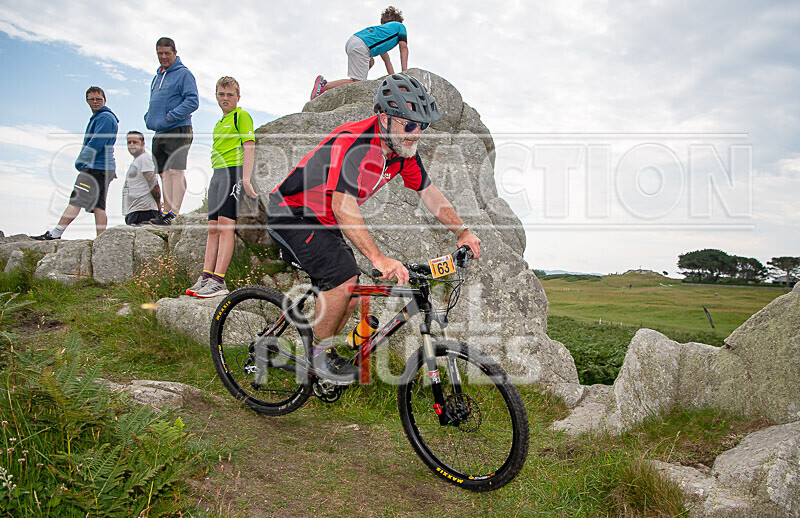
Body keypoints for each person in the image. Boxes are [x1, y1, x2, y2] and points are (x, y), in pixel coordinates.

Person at [268, 74, 482, 380]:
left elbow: (429, 192)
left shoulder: (401, 151)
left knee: (353, 292)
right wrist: (379, 258)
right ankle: (316, 357)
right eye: (409, 124)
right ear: (384, 118)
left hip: (323, 218)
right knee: (342, 280)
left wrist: (461, 231)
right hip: (290, 211)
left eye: (423, 126)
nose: (416, 133)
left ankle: (322, 348)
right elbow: (344, 205)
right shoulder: (354, 142)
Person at [185, 77, 257, 298]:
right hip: (217, 175)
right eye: (221, 94)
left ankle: (219, 281)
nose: (225, 98)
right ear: (216, 95)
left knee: (226, 227)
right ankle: (207, 276)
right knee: (213, 228)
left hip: (232, 173)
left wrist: (245, 179)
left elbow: (249, 146)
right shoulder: (219, 122)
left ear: (238, 97)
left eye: (230, 95)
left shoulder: (241, 116)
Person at [32, 86, 118, 240]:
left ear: (105, 100)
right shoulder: (103, 117)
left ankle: (56, 233)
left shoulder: (104, 118)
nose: (95, 102)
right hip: (104, 168)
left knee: (76, 200)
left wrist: (80, 162)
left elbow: (96, 143)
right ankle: (101, 240)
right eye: (92, 99)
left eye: (99, 99)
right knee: (99, 205)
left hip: (95, 167)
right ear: (87, 101)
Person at [144, 36, 199, 226]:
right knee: (164, 173)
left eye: (167, 53)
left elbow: (192, 101)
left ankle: (174, 213)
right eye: (160, 53)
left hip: (178, 128)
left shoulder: (184, 74)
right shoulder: (157, 77)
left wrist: (170, 117)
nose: (164, 57)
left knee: (176, 171)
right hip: (159, 131)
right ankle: (166, 212)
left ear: (175, 53)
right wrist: (149, 117)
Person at [310, 6, 408, 100]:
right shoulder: (400, 26)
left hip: (353, 41)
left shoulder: (380, 33)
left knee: (371, 62)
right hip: (361, 47)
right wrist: (405, 73)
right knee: (357, 82)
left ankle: (356, 76)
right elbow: (403, 47)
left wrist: (392, 76)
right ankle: (325, 85)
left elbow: (387, 60)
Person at [122, 131, 161, 225]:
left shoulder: (144, 158)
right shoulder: (138, 160)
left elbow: (153, 182)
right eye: (129, 142)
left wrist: (158, 204)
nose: (131, 145)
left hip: (143, 211)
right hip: (135, 210)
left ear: (143, 143)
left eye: (135, 142)